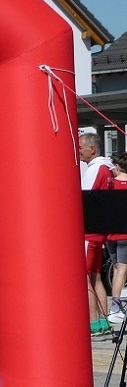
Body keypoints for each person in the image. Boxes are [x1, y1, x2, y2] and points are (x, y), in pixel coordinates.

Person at [81, 132, 114, 337]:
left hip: (89, 231)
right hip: (100, 229)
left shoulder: (95, 169)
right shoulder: (108, 168)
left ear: (92, 149)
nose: (79, 152)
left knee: (85, 278)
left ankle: (93, 322)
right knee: (96, 277)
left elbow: (84, 198)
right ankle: (103, 320)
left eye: (81, 148)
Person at [107, 153, 127, 326]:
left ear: (118, 167)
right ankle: (116, 306)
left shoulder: (110, 184)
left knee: (116, 268)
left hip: (110, 232)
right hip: (125, 233)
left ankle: (115, 304)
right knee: (122, 269)